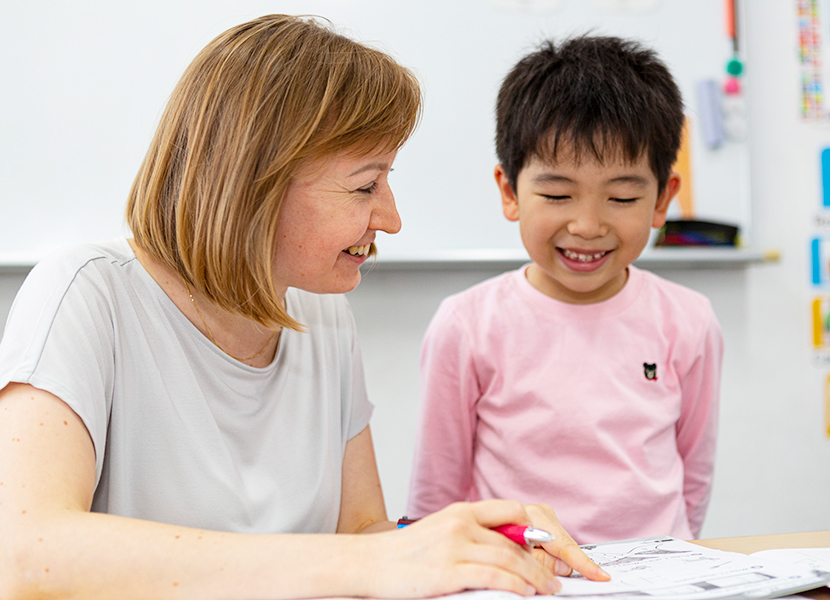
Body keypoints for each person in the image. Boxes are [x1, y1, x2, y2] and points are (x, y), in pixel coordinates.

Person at [0, 15, 609, 599]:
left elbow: (359, 535)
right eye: (366, 185)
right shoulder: (86, 293)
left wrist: (470, 542)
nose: (391, 219)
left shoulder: (322, 314)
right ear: (254, 181)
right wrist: (375, 557)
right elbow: (26, 555)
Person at [407, 36, 724, 544]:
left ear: (662, 200)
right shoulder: (467, 324)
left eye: (622, 197)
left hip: (656, 576)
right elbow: (434, 497)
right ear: (510, 192)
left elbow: (695, 473)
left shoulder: (688, 319)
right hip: (517, 577)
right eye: (557, 194)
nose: (587, 225)